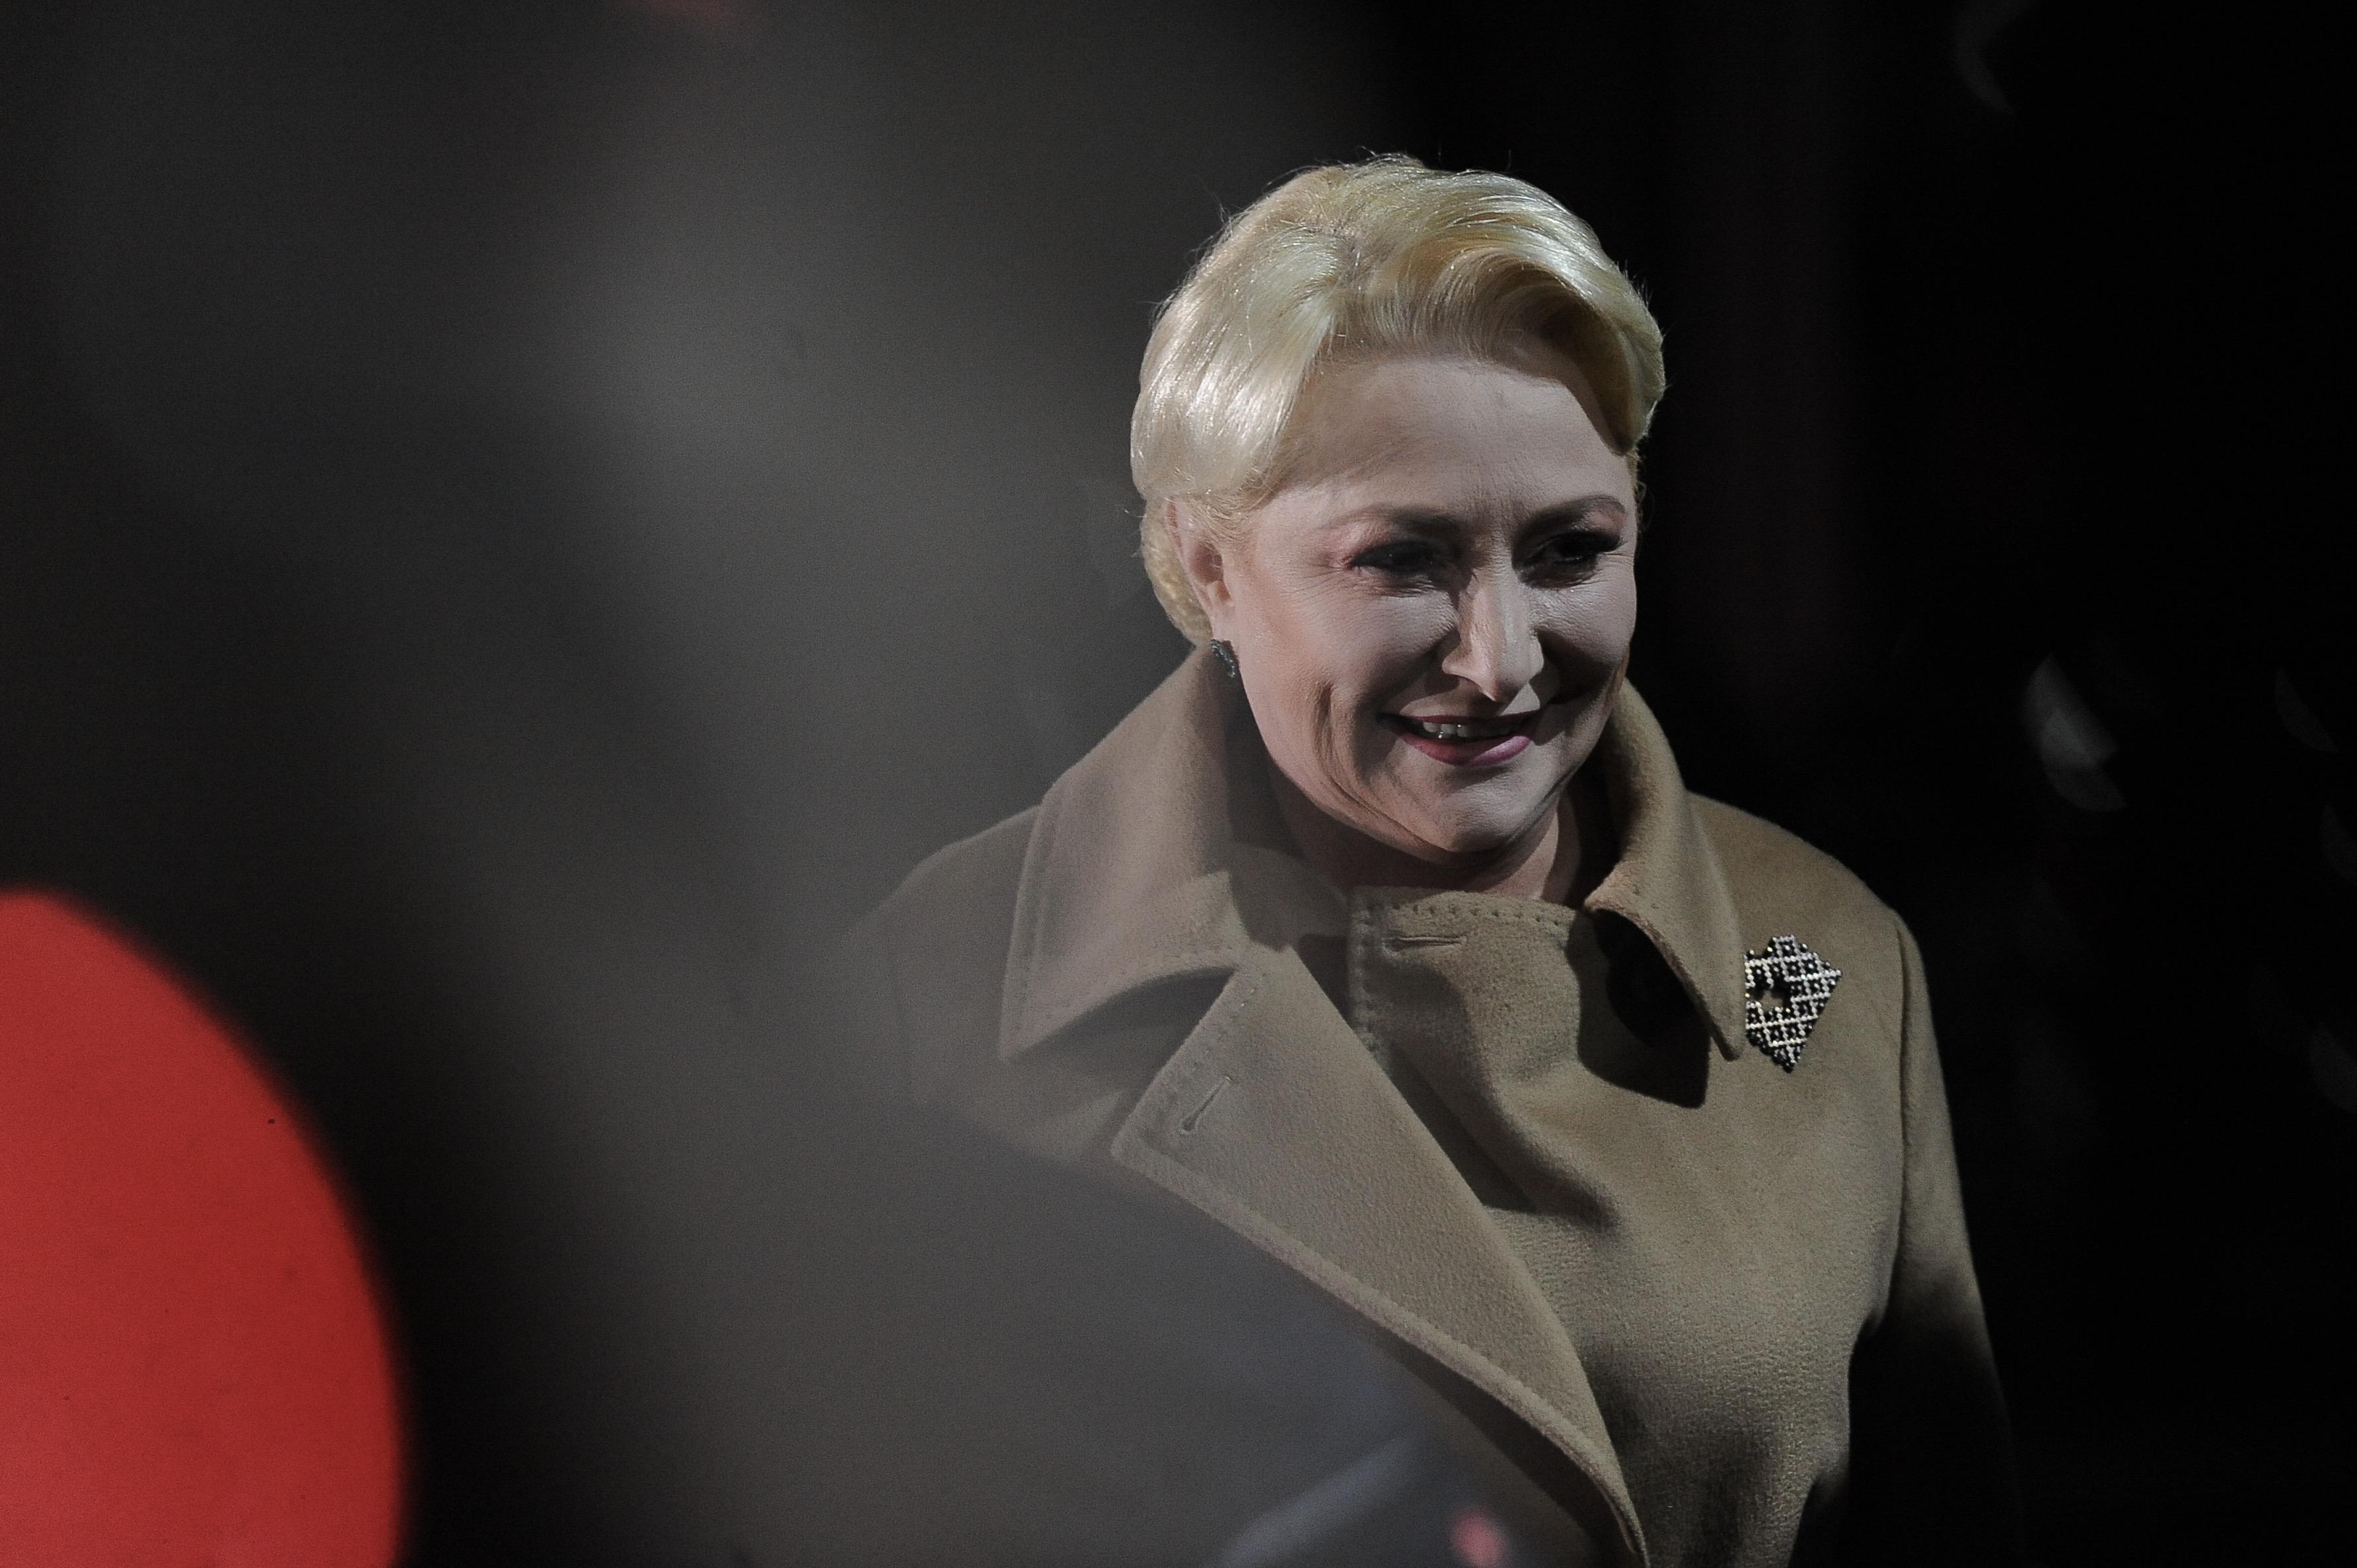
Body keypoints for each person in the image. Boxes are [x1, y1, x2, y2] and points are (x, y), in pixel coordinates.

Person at [835, 156, 2020, 1565]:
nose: (1500, 659)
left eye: (1570, 550)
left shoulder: (1818, 960)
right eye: (1403, 560)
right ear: (1208, 566)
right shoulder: (947, 990)